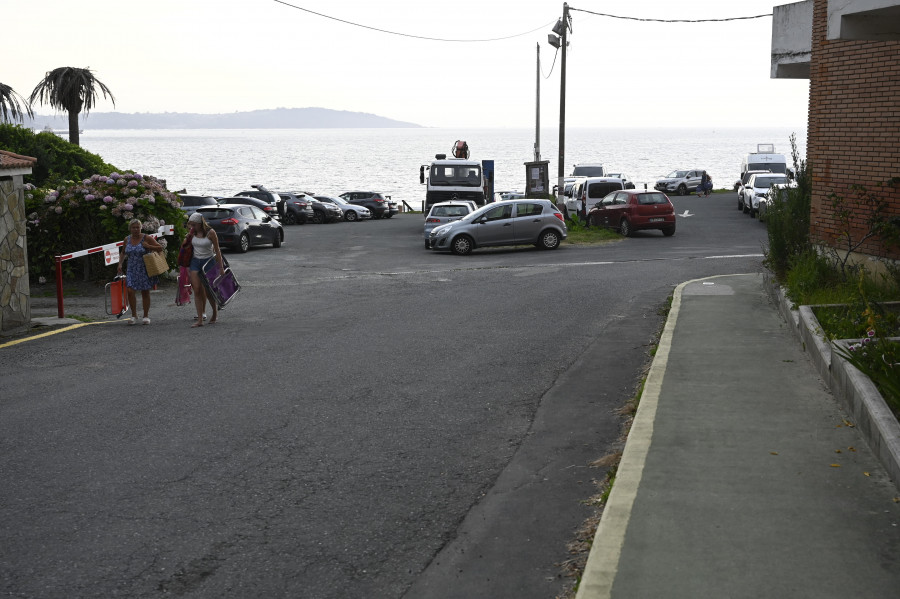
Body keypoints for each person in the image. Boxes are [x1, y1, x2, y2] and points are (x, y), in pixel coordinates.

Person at [117, 218, 164, 325]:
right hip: (131, 268)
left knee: (145, 291)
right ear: (130, 229)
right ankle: (134, 315)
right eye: (133, 227)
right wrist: (120, 264)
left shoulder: (146, 238)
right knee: (130, 291)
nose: (136, 229)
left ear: (141, 227)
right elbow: (123, 252)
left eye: (138, 227)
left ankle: (146, 315)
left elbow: (160, 247)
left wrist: (149, 246)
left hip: (144, 268)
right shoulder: (127, 239)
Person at [187, 212, 225, 328]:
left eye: (194, 225)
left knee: (209, 291)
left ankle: (214, 313)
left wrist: (221, 267)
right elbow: (186, 248)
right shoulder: (191, 233)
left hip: (208, 261)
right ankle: (200, 319)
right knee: (197, 290)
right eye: (190, 225)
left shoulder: (210, 232)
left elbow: (217, 250)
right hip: (195, 262)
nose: (192, 227)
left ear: (200, 223)